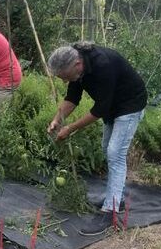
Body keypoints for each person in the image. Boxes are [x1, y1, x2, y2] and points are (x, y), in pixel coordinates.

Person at [47, 42, 147, 236]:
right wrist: (57, 119)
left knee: (115, 153)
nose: (64, 81)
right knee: (106, 149)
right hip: (112, 106)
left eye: (64, 76)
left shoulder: (103, 65)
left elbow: (99, 109)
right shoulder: (77, 68)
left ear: (76, 64)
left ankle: (109, 212)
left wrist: (69, 129)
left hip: (130, 104)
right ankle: (116, 198)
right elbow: (72, 98)